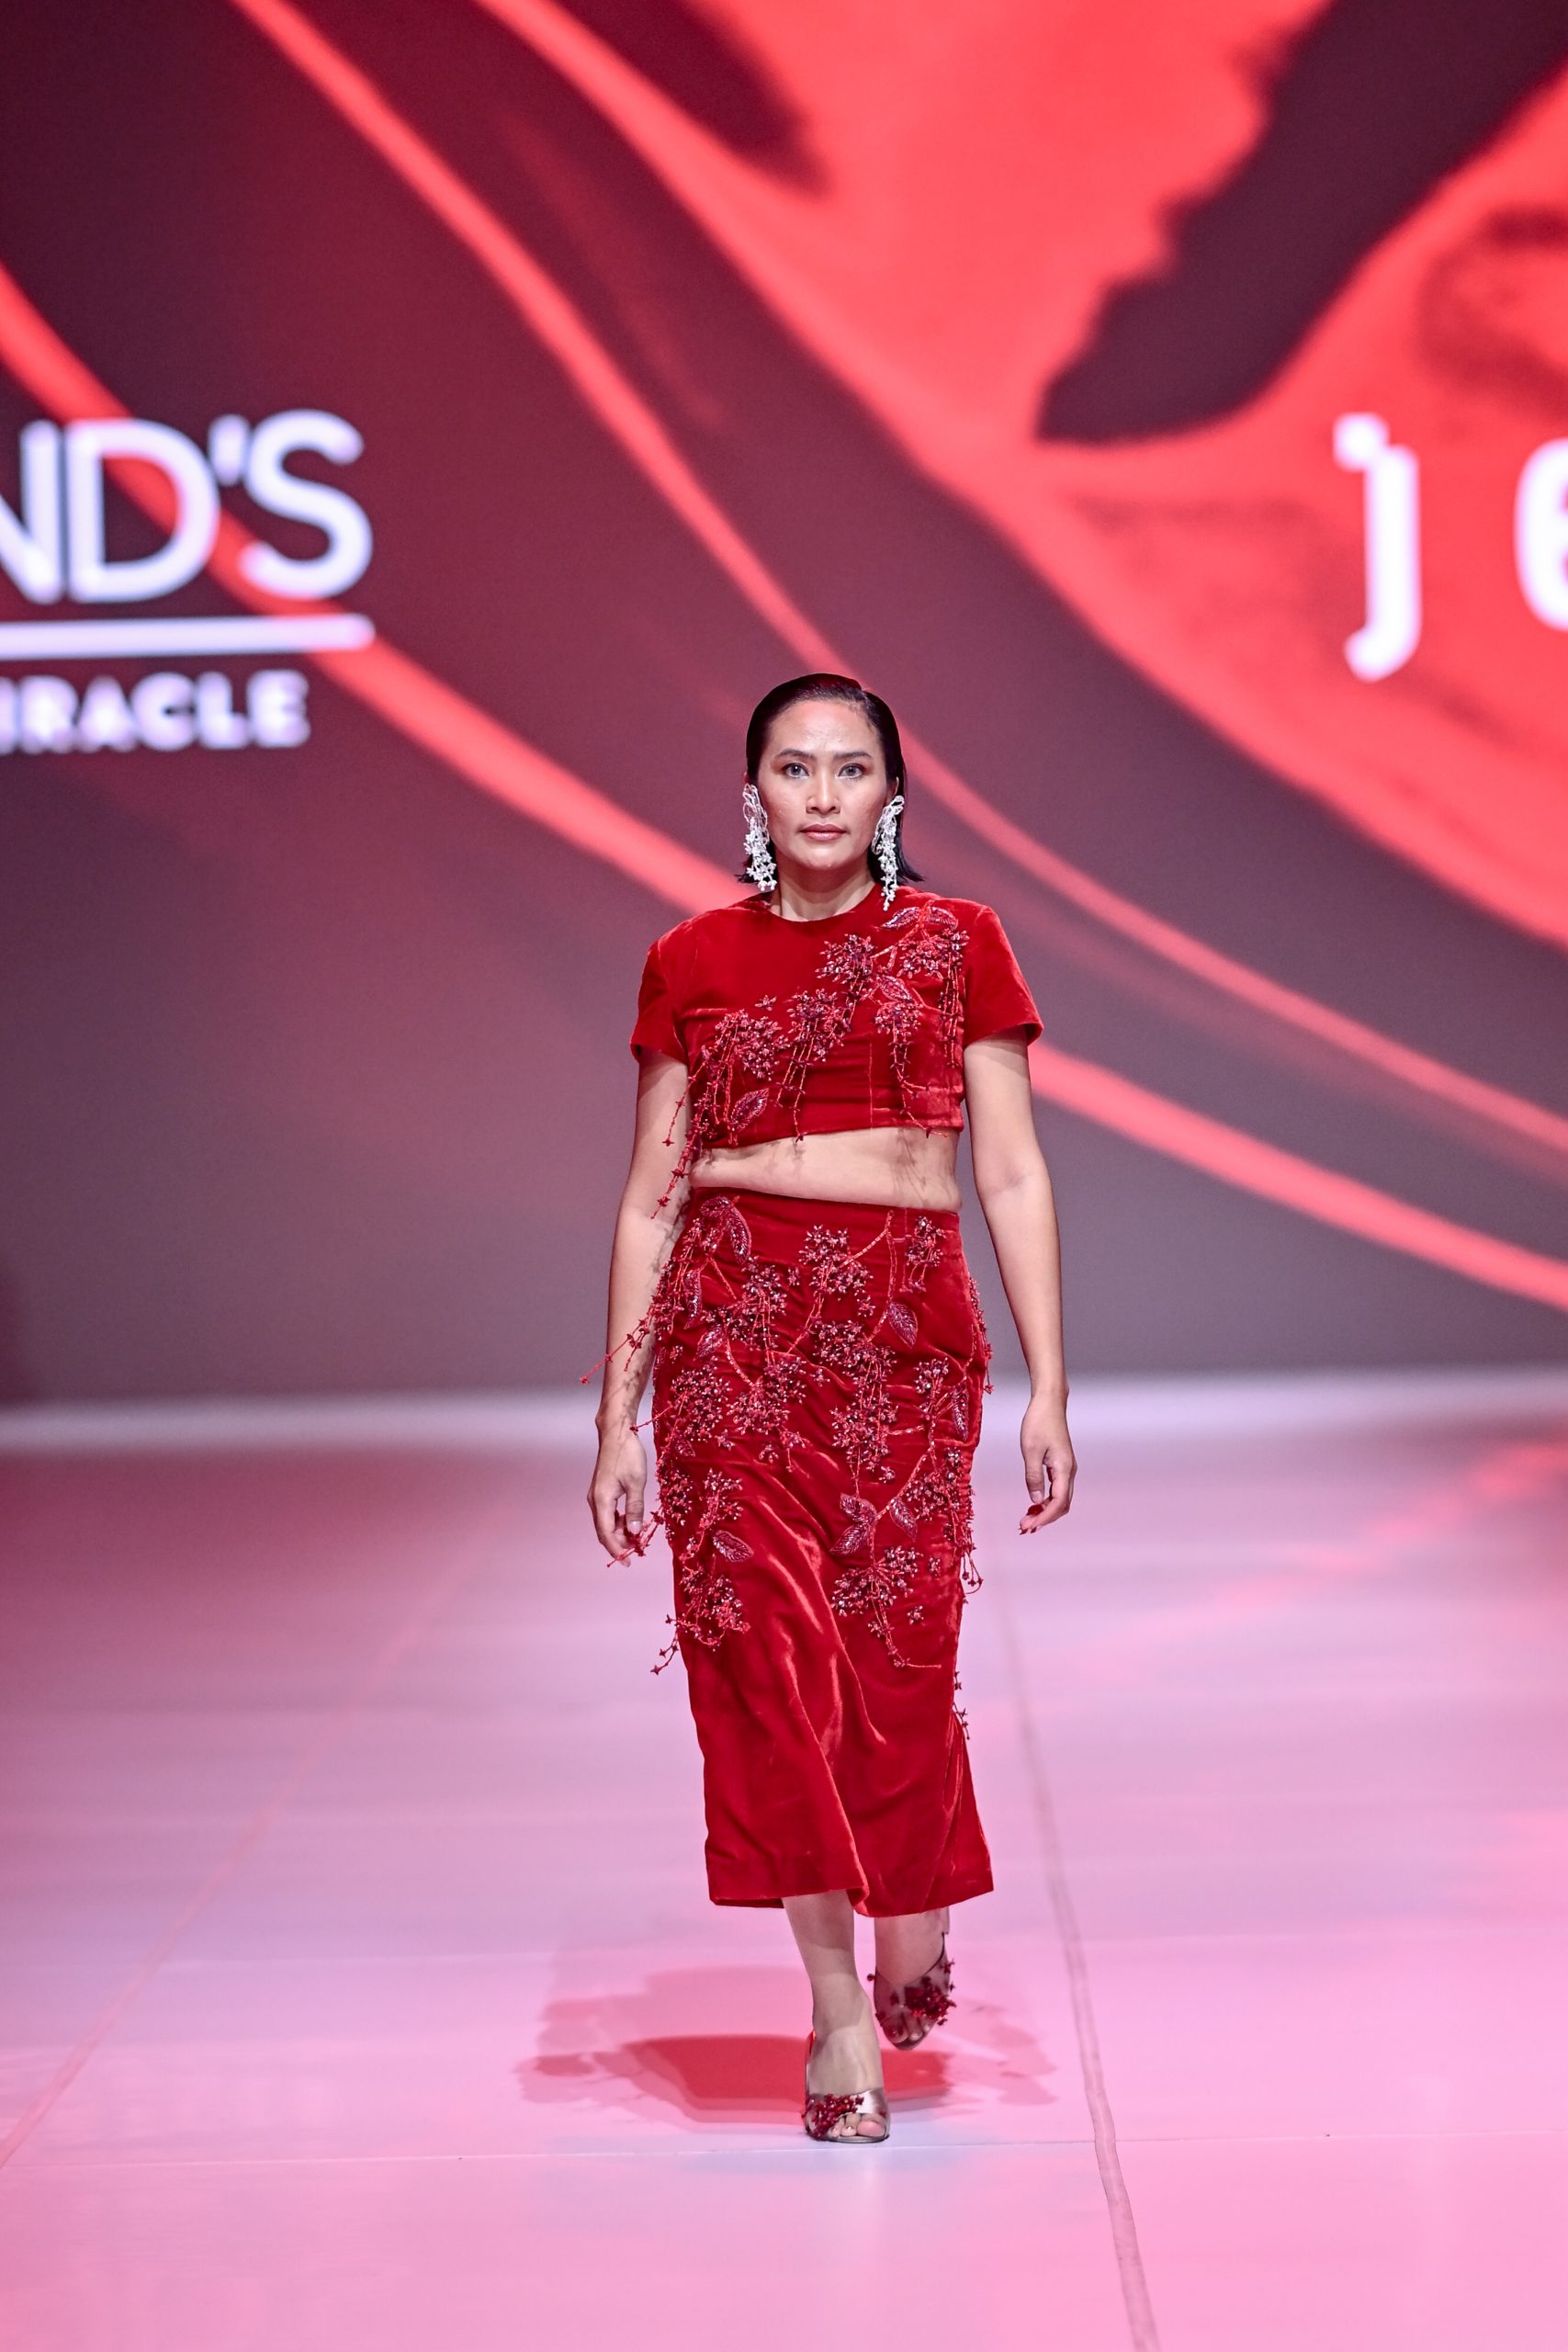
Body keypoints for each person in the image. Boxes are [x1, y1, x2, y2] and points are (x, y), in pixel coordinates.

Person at [587, 673, 1076, 2143]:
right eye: (792, 768)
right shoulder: (690, 957)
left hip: (902, 1342)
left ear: (890, 794)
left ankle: (912, 1902)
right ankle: (836, 2009)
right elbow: (650, 1194)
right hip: (730, 1339)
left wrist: (1051, 1384)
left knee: (896, 1666)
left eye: (847, 768)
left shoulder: (959, 943)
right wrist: (616, 1417)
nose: (819, 794)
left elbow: (1010, 1172)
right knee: (765, 1667)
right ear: (754, 792)